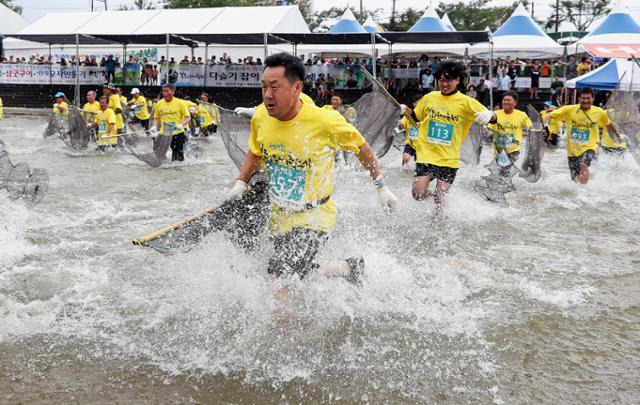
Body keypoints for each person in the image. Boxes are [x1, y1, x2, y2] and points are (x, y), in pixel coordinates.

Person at [225, 52, 397, 287]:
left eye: (275, 87)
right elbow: (256, 152)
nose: (267, 95)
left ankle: (282, 325)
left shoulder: (324, 120)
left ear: (297, 88)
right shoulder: (261, 116)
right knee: (290, 271)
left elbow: (362, 148)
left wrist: (381, 187)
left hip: (314, 217)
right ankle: (347, 268)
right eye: (264, 87)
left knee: (280, 279)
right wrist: (241, 182)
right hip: (280, 214)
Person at [404, 61, 496, 211]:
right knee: (417, 194)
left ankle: (440, 224)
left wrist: (489, 114)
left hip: (449, 158)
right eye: (441, 80)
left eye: (448, 80)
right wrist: (404, 110)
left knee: (441, 198)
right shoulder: (429, 97)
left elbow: (494, 118)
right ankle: (432, 198)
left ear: (457, 80)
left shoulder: (466, 102)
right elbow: (415, 118)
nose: (444, 84)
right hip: (427, 155)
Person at [545, 87, 622, 184]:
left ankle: (583, 192)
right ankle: (580, 191)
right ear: (579, 98)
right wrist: (546, 126)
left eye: (588, 98)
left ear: (593, 99)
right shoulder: (569, 110)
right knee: (575, 180)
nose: (586, 101)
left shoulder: (599, 112)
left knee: (583, 165)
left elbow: (608, 124)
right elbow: (549, 115)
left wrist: (617, 135)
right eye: (583, 98)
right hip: (572, 151)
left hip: (590, 147)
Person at [488, 91, 532, 171]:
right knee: (500, 172)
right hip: (498, 149)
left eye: (508, 100)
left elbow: (530, 127)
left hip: (514, 150)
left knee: (505, 170)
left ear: (515, 103)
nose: (505, 102)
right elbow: (489, 129)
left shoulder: (521, 115)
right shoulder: (495, 114)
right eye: (504, 100)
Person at [154, 83, 191, 161]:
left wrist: (181, 124)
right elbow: (157, 117)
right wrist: (154, 126)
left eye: (167, 91)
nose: (164, 93)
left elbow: (188, 117)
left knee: (177, 157)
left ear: (173, 91)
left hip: (177, 133)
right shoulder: (159, 103)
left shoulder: (180, 103)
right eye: (163, 91)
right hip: (164, 133)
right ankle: (164, 164)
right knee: (156, 150)